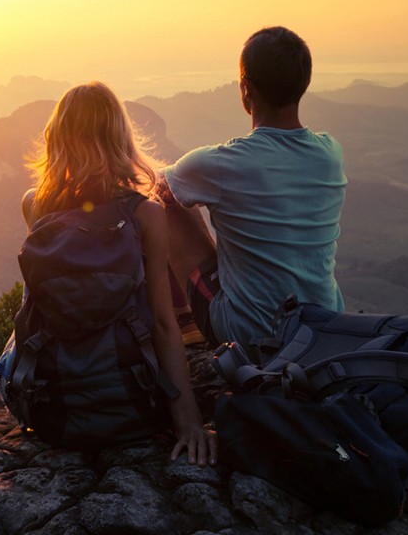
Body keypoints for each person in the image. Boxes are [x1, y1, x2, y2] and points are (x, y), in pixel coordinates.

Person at [20, 81, 217, 465]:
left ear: (57, 138)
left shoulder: (35, 206)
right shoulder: (147, 213)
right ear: (119, 138)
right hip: (132, 402)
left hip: (53, 408)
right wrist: (188, 421)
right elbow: (162, 322)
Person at [159, 26, 346, 350]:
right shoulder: (330, 152)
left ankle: (184, 323)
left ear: (246, 88)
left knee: (166, 202)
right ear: (303, 84)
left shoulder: (220, 164)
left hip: (249, 334)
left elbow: (150, 183)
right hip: (324, 328)